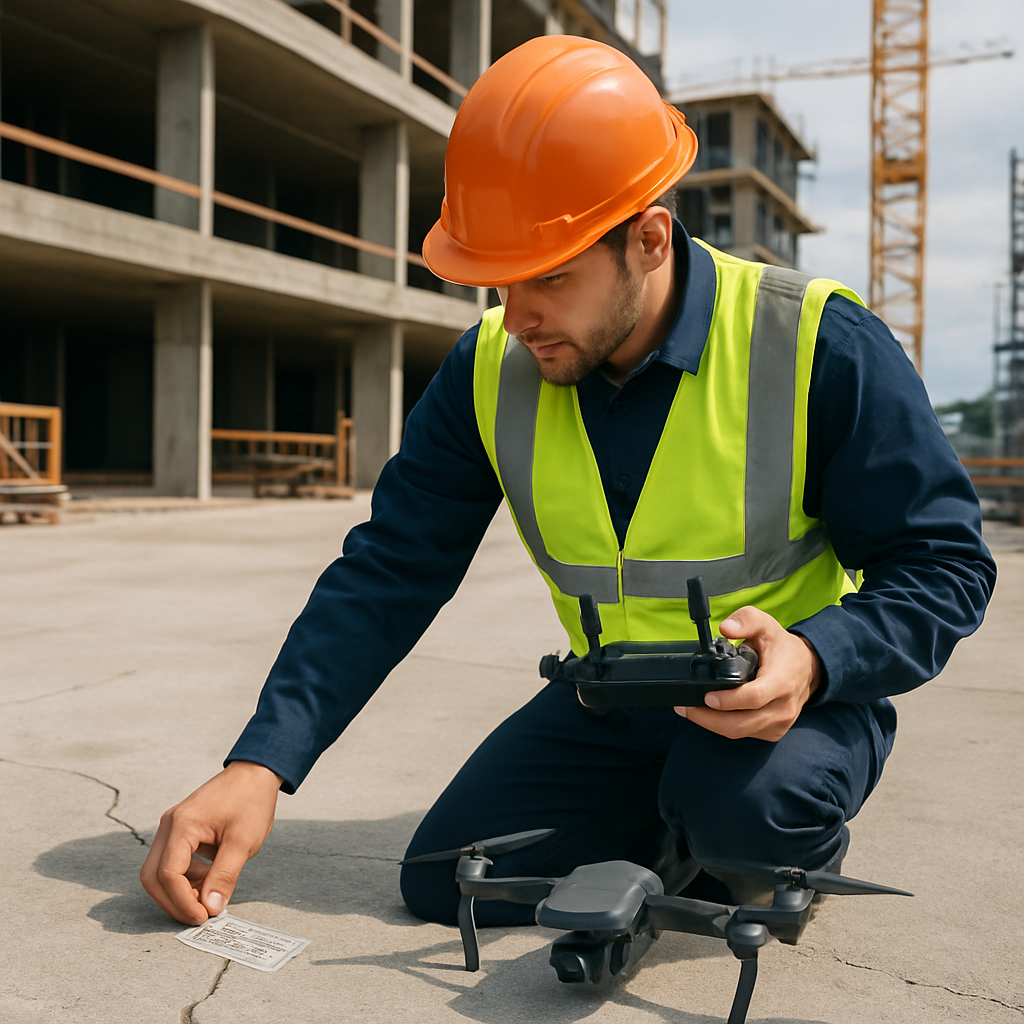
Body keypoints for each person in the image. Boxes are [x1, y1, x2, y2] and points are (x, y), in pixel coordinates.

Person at [141, 36, 995, 927]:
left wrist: (816, 658)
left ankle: (728, 829)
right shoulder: (488, 368)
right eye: (498, 281)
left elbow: (943, 564)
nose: (518, 317)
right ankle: (673, 821)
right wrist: (260, 764)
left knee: (745, 828)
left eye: (548, 276)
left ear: (649, 239)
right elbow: (390, 568)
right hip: (610, 700)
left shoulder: (815, 343)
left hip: (780, 705)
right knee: (449, 882)